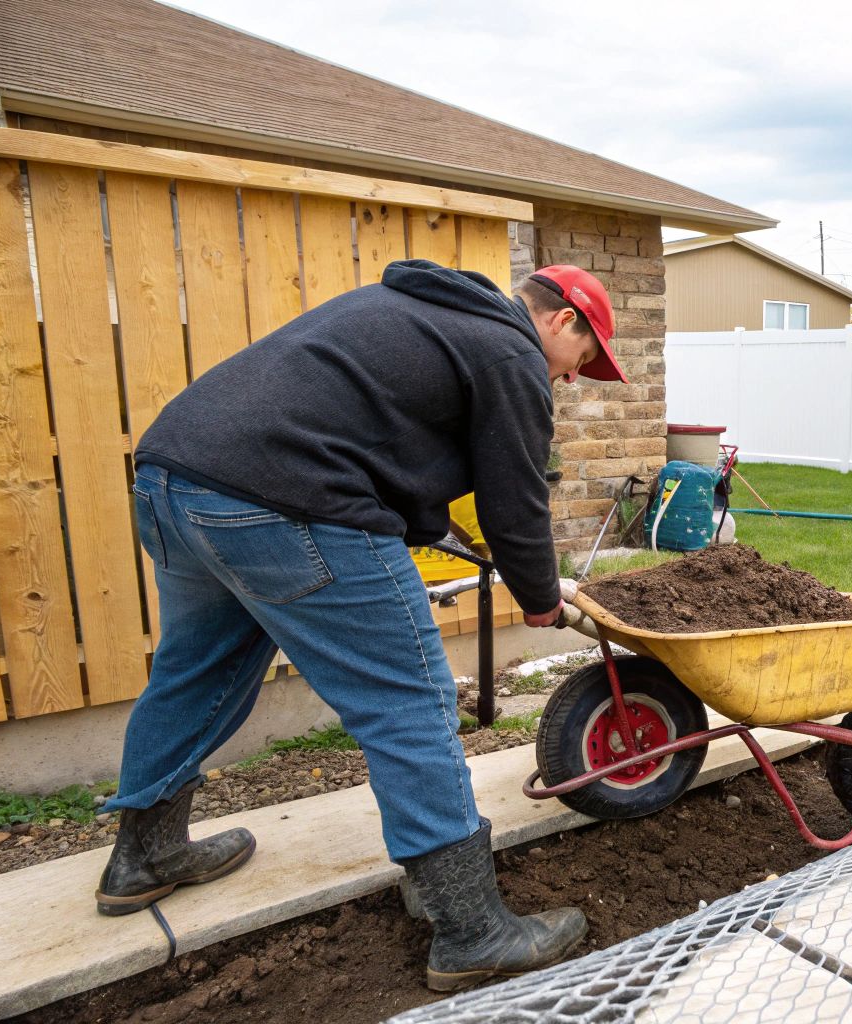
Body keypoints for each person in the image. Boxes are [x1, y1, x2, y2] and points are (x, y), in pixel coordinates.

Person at [100, 259, 625, 992]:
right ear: (561, 320)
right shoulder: (510, 351)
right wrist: (540, 597)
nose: (573, 379)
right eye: (584, 362)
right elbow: (516, 500)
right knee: (408, 701)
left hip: (171, 480)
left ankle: (143, 855)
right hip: (287, 499)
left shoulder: (410, 307)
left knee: (195, 676)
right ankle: (470, 929)